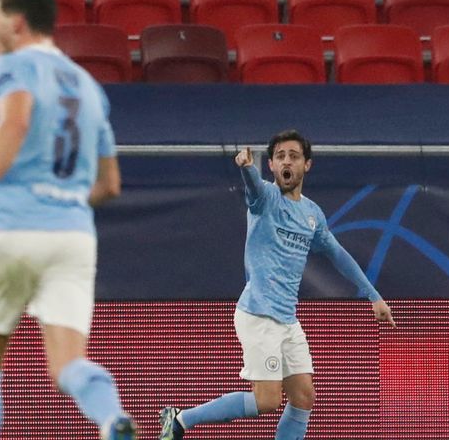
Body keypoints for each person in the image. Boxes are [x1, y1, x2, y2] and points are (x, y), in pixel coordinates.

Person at [0, 0, 135, 440]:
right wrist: (63, 204)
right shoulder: (90, 86)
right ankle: (109, 418)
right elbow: (110, 185)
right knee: (68, 364)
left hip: (11, 227)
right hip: (73, 235)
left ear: (17, 23)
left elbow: (16, 119)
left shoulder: (7, 65)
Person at [158, 130, 396, 440]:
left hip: (287, 319)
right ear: (271, 164)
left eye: (294, 156)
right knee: (267, 400)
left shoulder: (312, 214)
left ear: (306, 165)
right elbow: (254, 187)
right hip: (258, 314)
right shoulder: (266, 198)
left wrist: (374, 296)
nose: (287, 161)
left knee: (304, 397)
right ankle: (181, 419)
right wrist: (246, 168)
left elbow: (338, 254)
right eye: (280, 156)